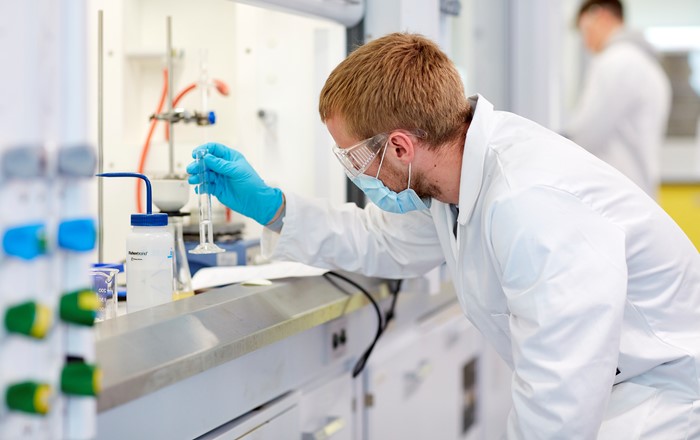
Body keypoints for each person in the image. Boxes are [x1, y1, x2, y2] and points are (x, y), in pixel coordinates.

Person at [188, 33, 700, 438]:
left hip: (659, 404)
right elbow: (384, 240)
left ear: (401, 147)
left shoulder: (529, 202)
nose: (357, 172)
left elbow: (561, 394)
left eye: (355, 157)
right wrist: (273, 208)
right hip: (612, 396)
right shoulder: (453, 180)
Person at [564, 0, 671, 199]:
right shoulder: (648, 66)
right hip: (638, 192)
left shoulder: (615, 62)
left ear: (601, 16)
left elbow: (585, 135)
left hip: (615, 196)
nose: (586, 42)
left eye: (585, 31)